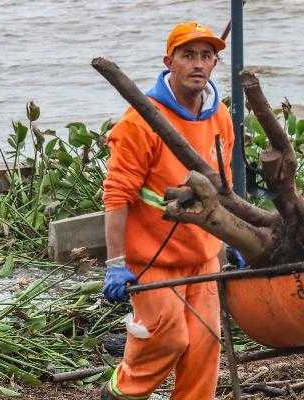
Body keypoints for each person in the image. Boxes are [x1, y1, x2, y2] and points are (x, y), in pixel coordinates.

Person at [100, 21, 233, 400]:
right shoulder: (140, 122)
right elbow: (116, 195)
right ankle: (118, 393)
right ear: (168, 61)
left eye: (206, 56)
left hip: (202, 255)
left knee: (205, 347)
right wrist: (115, 262)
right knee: (167, 338)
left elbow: (223, 186)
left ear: (214, 63)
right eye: (188, 55)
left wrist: (235, 236)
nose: (197, 64)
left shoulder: (218, 115)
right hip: (152, 257)